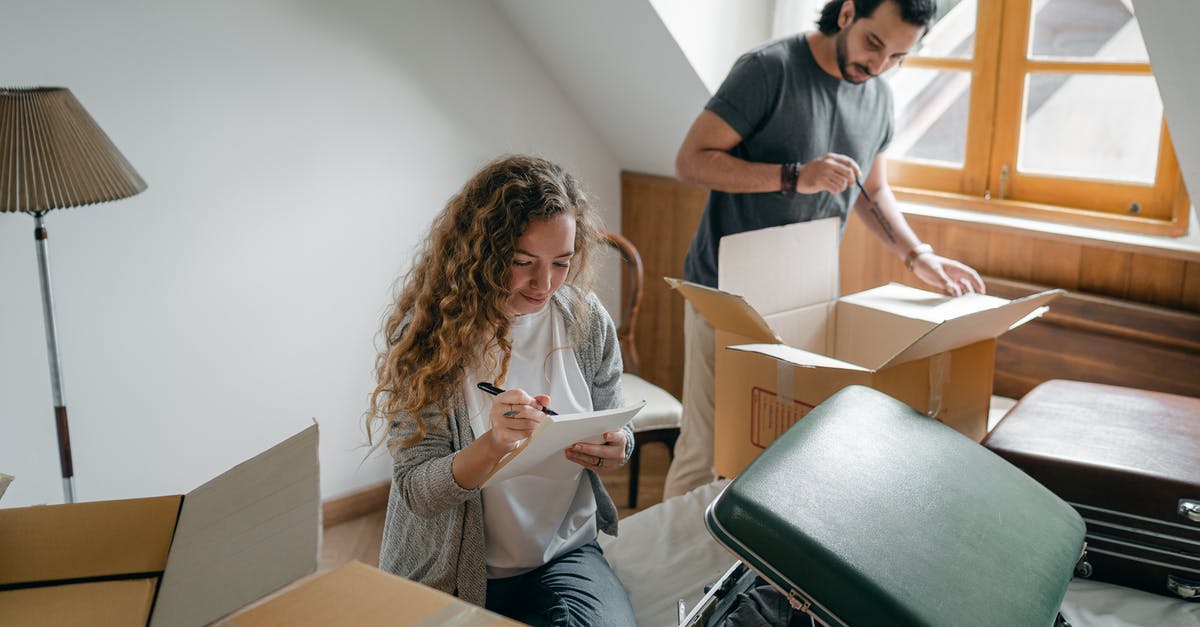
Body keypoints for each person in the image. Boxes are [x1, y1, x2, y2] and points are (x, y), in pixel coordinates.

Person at [663, 0, 987, 499]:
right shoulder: (768, 69)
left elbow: (872, 191)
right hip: (724, 297)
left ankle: (743, 573)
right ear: (847, 13)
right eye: (873, 43)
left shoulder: (878, 96)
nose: (878, 66)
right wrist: (795, 177)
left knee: (781, 449)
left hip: (806, 301)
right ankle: (669, 577)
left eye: (898, 57)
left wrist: (918, 255)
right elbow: (691, 161)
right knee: (705, 449)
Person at [367, 155, 636, 626]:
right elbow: (416, 491)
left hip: (563, 556)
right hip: (450, 568)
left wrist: (616, 446)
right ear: (483, 253)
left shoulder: (587, 322)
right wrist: (492, 446)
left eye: (562, 263)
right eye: (522, 262)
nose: (545, 283)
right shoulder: (428, 339)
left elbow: (617, 422)